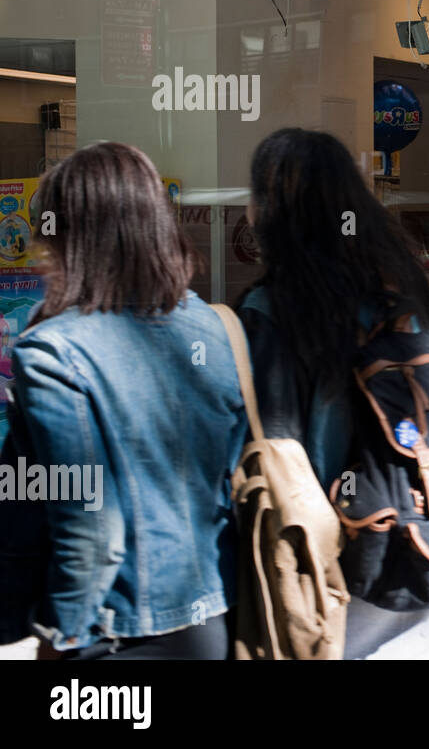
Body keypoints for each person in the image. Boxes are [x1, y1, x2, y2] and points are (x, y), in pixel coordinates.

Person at [0, 142, 247, 659]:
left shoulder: (54, 352)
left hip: (113, 631)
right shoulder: (212, 323)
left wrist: (58, 635)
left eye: (50, 236)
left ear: (74, 240)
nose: (42, 255)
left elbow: (92, 527)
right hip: (213, 618)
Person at [236, 128, 429, 659]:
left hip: (339, 587)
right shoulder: (401, 291)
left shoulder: (274, 311)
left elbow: (274, 459)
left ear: (273, 209)